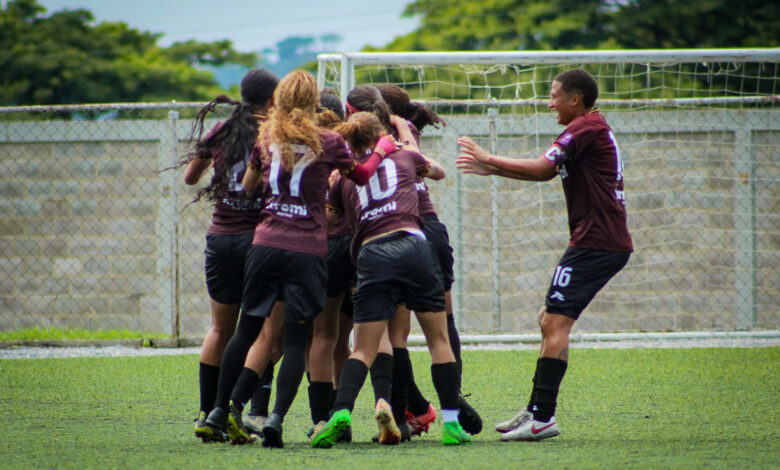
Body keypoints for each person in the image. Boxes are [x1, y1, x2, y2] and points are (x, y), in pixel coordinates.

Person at [202, 70, 396, 448]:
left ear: (281, 99)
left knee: (246, 331)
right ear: (312, 102)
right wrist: (384, 149)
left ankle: (219, 412)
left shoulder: (267, 136)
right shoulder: (328, 141)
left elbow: (247, 186)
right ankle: (275, 418)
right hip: (306, 250)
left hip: (264, 243)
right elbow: (361, 174)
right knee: (295, 341)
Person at [456, 69, 633, 441]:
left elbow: (541, 166)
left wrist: (490, 157)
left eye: (554, 96)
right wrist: (492, 169)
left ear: (575, 99)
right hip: (595, 241)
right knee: (549, 321)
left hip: (597, 242)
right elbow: (545, 175)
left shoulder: (584, 129)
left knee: (554, 324)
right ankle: (537, 410)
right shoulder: (588, 127)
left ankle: (543, 418)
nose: (549, 102)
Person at [311, 111, 473, 448]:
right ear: (379, 135)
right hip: (413, 246)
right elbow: (440, 172)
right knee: (438, 340)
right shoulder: (404, 155)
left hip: (371, 254)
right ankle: (452, 424)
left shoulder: (343, 180)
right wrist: (404, 146)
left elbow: (330, 217)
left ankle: (339, 413)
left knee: (364, 347)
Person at [376, 84, 482, 436]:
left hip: (401, 233)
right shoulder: (410, 133)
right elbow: (434, 171)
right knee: (443, 323)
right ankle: (451, 401)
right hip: (432, 231)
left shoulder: (375, 138)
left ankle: (412, 411)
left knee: (397, 334)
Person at [181, 68, 279, 443]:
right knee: (261, 333)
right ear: (273, 100)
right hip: (258, 240)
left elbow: (191, 178)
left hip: (221, 237)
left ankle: (207, 413)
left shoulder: (219, 131)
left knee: (220, 329)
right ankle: (239, 411)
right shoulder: (271, 133)